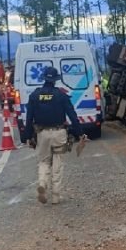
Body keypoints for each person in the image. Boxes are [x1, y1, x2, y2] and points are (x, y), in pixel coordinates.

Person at [24, 66, 84, 205]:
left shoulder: (34, 95)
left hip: (42, 134)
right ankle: (56, 195)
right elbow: (72, 116)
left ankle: (42, 183)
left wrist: (26, 136)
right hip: (59, 133)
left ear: (44, 78)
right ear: (56, 80)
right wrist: (80, 133)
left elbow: (29, 118)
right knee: (58, 162)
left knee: (44, 161)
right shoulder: (61, 95)